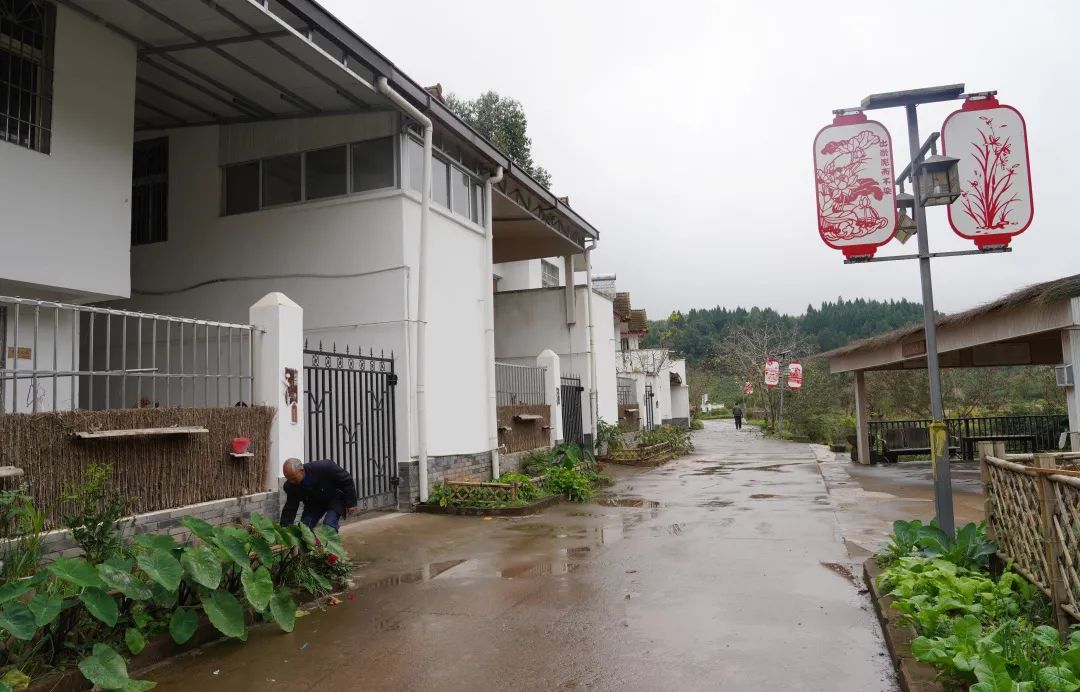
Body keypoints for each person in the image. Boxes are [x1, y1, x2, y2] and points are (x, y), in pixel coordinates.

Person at [279, 458, 357, 532]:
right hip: (314, 505)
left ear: (301, 471)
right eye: (288, 479)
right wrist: (284, 530)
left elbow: (347, 480)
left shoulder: (325, 467)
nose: (291, 481)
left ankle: (329, 541)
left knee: (329, 525)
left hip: (335, 499)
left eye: (293, 478)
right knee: (304, 528)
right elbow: (290, 508)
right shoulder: (290, 486)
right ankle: (314, 542)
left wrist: (351, 503)